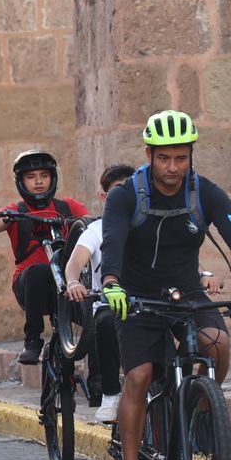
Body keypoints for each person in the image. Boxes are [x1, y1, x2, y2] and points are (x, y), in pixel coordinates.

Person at [100, 110, 231, 460]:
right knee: (139, 376)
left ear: (190, 155)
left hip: (188, 295)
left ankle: (200, 416)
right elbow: (112, 242)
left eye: (181, 157)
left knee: (218, 345)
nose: (173, 167)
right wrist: (111, 282)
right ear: (149, 154)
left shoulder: (205, 193)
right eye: (164, 158)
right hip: (137, 297)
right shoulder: (126, 196)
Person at [0, 151, 91, 365]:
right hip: (29, 288)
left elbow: (89, 224)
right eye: (31, 177)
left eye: (44, 176)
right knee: (40, 271)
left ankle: (97, 379)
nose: (39, 182)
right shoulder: (16, 210)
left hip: (67, 285)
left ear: (52, 178)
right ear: (21, 182)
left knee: (96, 322)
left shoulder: (67, 207)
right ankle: (32, 341)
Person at [63, 164, 136, 423]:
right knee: (105, 323)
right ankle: (111, 394)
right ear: (104, 198)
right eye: (117, 192)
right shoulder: (96, 230)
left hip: (147, 302)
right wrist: (73, 282)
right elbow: (74, 263)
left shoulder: (149, 224)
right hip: (109, 305)